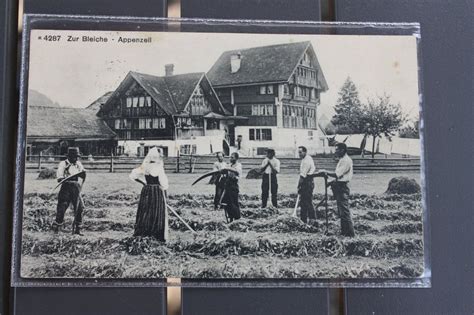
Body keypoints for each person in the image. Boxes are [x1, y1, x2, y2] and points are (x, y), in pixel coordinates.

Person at [129, 147, 169, 241]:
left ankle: (144, 232)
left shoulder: (145, 166)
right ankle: (156, 233)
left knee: (146, 211)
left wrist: (143, 183)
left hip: (146, 190)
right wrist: (166, 195)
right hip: (156, 191)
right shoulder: (159, 167)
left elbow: (133, 175)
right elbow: (163, 183)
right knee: (156, 211)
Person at [323, 143, 355, 237]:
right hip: (339, 185)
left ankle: (350, 234)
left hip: (342, 187)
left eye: (337, 149)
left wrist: (325, 172)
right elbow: (339, 176)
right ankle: (344, 232)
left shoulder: (346, 160)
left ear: (342, 150)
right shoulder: (342, 160)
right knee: (341, 211)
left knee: (344, 211)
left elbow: (337, 174)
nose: (335, 151)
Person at [52, 147, 86, 235]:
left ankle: (77, 229)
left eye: (77, 157)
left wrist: (83, 174)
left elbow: (82, 174)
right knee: (62, 207)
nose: (76, 159)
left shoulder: (78, 164)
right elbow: (59, 178)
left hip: (76, 188)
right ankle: (57, 228)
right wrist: (66, 178)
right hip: (66, 187)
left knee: (80, 207)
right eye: (74, 157)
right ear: (70, 156)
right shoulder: (63, 164)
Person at [297, 146, 316, 224]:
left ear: (305, 152)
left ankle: (312, 219)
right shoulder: (305, 159)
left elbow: (302, 175)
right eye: (298, 152)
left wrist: (299, 185)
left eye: (300, 152)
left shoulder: (306, 161)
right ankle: (303, 220)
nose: (299, 154)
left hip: (307, 181)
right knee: (304, 202)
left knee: (307, 202)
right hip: (307, 181)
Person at [222, 152, 242, 222]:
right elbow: (226, 172)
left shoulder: (238, 165)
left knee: (233, 202)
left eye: (232, 157)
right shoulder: (230, 165)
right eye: (230, 157)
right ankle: (230, 218)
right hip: (228, 185)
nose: (230, 158)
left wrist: (227, 168)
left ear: (236, 158)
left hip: (234, 186)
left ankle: (237, 218)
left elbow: (236, 171)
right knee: (227, 203)